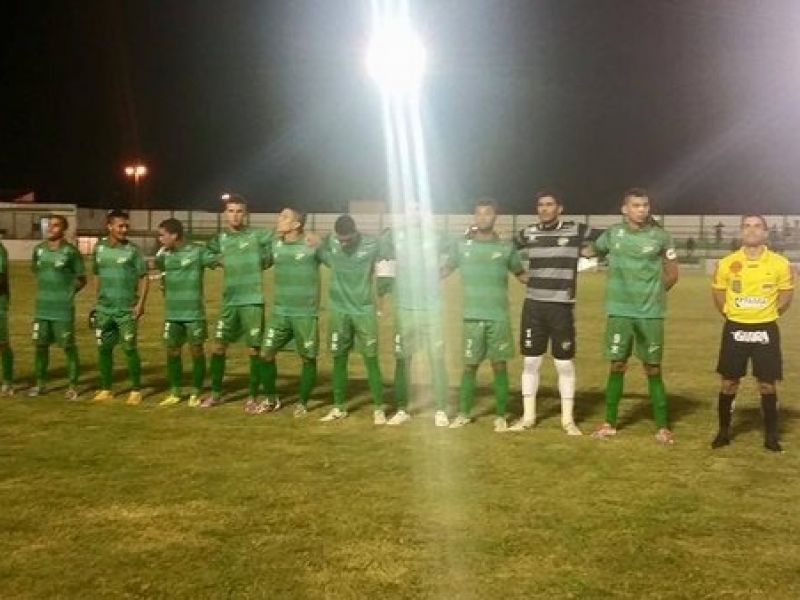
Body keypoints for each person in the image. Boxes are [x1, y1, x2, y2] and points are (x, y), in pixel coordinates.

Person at [587, 188, 679, 443]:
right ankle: (609, 423)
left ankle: (662, 427)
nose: (642, 210)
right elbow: (591, 251)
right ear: (624, 209)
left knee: (653, 368)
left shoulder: (661, 236)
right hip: (619, 312)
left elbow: (672, 273)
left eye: (645, 205)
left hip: (650, 314)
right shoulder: (612, 234)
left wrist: (654, 295)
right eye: (636, 205)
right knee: (617, 364)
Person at [710, 214, 794, 452]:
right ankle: (723, 432)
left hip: (765, 329)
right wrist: (731, 313)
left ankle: (771, 436)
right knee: (729, 383)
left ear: (765, 232)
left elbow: (786, 293)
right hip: (735, 327)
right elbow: (718, 292)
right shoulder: (727, 263)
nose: (752, 230)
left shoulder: (779, 263)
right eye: (747, 226)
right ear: (741, 231)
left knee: (767, 384)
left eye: (757, 226)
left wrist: (770, 313)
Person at [442, 199, 526, 432]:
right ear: (474, 217)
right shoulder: (461, 246)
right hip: (471, 316)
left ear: (495, 216)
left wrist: (550, 279)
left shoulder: (506, 248)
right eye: (478, 214)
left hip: (498, 317)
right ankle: (464, 413)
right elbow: (445, 270)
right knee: (469, 366)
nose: (482, 218)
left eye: (487, 213)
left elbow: (521, 275)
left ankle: (500, 416)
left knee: (499, 365)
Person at [511, 190, 589, 435]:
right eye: (540, 205)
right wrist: (518, 272)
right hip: (533, 306)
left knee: (563, 363)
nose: (544, 209)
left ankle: (567, 420)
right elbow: (504, 249)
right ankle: (528, 418)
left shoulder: (574, 230)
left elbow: (608, 238)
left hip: (561, 306)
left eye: (549, 204)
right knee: (530, 361)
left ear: (559, 208)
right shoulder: (528, 233)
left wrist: (590, 252)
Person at [202, 195, 272, 408]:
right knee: (218, 347)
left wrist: (265, 260)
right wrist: (217, 259)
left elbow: (277, 244)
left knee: (254, 350)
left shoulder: (257, 235)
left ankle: (252, 397)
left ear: (246, 214)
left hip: (252, 300)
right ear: (225, 214)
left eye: (239, 211)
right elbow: (204, 254)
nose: (235, 215)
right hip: (230, 301)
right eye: (231, 211)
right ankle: (216, 394)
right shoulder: (220, 239)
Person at [385, 207, 451, 426]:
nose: (413, 214)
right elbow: (374, 249)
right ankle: (402, 409)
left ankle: (440, 409)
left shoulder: (438, 236)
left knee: (436, 358)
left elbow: (458, 250)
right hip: (405, 308)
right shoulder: (394, 236)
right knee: (403, 359)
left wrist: (446, 270)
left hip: (431, 308)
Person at [318, 215, 385, 423]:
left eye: (348, 239)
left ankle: (379, 408)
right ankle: (339, 407)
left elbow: (391, 250)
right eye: (341, 240)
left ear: (356, 232)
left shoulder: (372, 244)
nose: (344, 244)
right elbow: (316, 248)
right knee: (339, 358)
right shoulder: (330, 241)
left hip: (364, 311)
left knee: (371, 359)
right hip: (338, 310)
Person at [256, 208, 322, 417]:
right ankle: (271, 399)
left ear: (296, 224)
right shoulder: (276, 244)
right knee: (265, 354)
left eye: (285, 217)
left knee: (308, 358)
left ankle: (302, 403)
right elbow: (261, 262)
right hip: (280, 313)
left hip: (305, 314)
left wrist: (323, 241)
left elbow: (336, 253)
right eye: (280, 215)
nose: (279, 219)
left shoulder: (311, 245)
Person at [155, 218, 216, 407]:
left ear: (174, 235)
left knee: (196, 351)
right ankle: (175, 391)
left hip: (194, 313)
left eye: (162, 235)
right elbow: (163, 275)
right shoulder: (163, 255)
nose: (160, 239)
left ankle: (196, 392)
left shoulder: (197, 251)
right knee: (172, 351)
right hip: (172, 313)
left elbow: (217, 261)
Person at [91, 209, 149, 404]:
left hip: (126, 310)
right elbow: (96, 274)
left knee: (129, 348)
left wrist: (140, 304)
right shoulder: (99, 248)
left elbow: (144, 277)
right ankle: (106, 389)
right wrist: (96, 302)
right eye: (120, 226)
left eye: (126, 226)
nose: (124, 230)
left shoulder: (133, 250)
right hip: (104, 309)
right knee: (104, 349)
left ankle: (136, 390)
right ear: (109, 226)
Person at [28, 216, 86, 399]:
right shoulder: (39, 250)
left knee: (68, 347)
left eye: (55, 225)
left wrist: (67, 293)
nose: (50, 228)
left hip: (62, 310)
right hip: (42, 309)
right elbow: (36, 271)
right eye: (49, 225)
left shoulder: (71, 252)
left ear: (63, 229)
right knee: (40, 346)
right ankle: (40, 384)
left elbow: (81, 279)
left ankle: (73, 386)